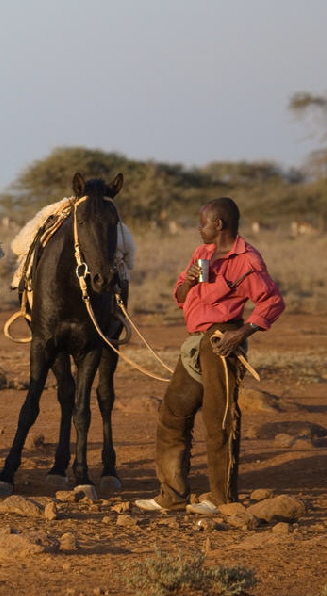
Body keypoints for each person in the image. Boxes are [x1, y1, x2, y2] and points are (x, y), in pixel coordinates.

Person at [134, 198, 284, 515]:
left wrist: (240, 334)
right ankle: (171, 495)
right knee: (173, 413)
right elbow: (180, 297)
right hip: (195, 342)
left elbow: (271, 302)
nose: (198, 228)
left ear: (219, 224)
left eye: (202, 223)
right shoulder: (202, 254)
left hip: (221, 340)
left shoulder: (247, 260)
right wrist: (187, 283)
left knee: (220, 420)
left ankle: (222, 499)